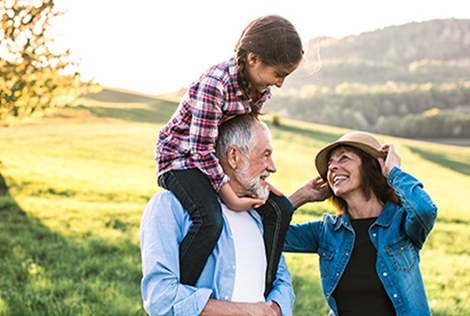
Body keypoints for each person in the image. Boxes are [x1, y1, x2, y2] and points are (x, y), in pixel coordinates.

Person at [154, 15, 304, 290]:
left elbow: (244, 141)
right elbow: (200, 150)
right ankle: (181, 293)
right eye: (278, 74)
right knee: (209, 219)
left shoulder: (259, 88)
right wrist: (230, 197)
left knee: (279, 209)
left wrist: (255, 178)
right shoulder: (216, 84)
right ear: (253, 59)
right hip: (181, 161)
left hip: (217, 161)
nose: (280, 83)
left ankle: (261, 288)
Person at [141, 114, 295, 316]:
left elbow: (282, 281)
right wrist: (250, 313)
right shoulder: (170, 207)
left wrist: (273, 310)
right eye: (265, 155)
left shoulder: (259, 215)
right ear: (234, 157)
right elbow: (160, 299)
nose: (272, 167)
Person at [284, 131, 438, 316]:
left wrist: (393, 173)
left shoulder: (401, 223)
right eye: (330, 163)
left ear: (370, 167)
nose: (332, 167)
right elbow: (268, 234)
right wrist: (300, 196)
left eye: (344, 158)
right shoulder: (327, 231)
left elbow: (424, 209)